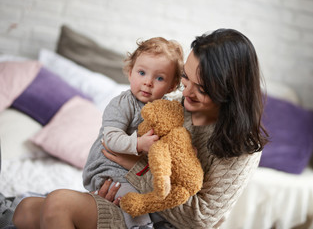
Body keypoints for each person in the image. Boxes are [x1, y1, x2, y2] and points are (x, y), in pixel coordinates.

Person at [13, 28, 268, 229]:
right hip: (130, 199)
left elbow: (199, 219)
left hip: (164, 221)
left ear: (229, 91)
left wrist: (133, 167)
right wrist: (112, 182)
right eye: (186, 78)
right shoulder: (176, 107)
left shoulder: (242, 148)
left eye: (202, 88)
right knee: (24, 212)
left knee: (59, 204)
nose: (186, 91)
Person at [12, 36, 184, 229]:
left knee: (59, 205)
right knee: (23, 210)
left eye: (159, 78)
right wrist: (138, 144)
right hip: (109, 171)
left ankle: (141, 222)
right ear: (130, 72)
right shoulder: (122, 104)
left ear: (172, 86)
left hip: (137, 181)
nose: (148, 82)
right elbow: (110, 139)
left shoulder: (171, 112)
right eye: (142, 72)